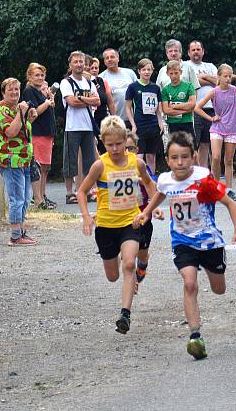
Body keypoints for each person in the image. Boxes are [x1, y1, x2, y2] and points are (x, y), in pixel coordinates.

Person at [134, 131, 236, 360]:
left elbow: (229, 203)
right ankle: (195, 336)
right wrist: (146, 213)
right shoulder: (165, 179)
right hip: (183, 241)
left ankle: (211, 269)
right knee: (189, 283)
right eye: (175, 158)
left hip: (209, 241)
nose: (180, 162)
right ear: (167, 159)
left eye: (185, 157)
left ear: (194, 156)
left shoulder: (203, 178)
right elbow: (159, 194)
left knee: (219, 289)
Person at [77, 116, 157, 334]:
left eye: (119, 144)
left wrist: (152, 207)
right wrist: (86, 216)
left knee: (129, 264)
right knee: (113, 276)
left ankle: (125, 314)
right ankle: (123, 262)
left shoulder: (136, 163)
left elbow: (150, 184)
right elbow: (81, 191)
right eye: (110, 144)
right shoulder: (99, 165)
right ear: (103, 142)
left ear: (125, 141)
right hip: (105, 226)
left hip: (130, 222)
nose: (115, 148)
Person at [0, 78, 38, 246]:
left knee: (26, 199)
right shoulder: (1, 110)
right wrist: (21, 114)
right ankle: (15, 236)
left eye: (17, 90)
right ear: (3, 92)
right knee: (17, 199)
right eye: (10, 90)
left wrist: (30, 117)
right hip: (11, 160)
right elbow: (11, 132)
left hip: (24, 160)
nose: (14, 93)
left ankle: (21, 232)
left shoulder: (16, 108)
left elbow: (22, 130)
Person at [195, 63, 236, 201]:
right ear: (219, 77)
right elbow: (197, 108)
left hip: (231, 128)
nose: (228, 79)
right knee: (216, 157)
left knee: (228, 160)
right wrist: (211, 117)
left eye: (230, 76)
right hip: (217, 127)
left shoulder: (235, 90)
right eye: (225, 76)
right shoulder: (214, 91)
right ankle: (215, 186)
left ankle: (229, 189)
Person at [124, 130, 165, 290]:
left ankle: (143, 263)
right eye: (125, 148)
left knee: (141, 254)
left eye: (131, 148)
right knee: (127, 256)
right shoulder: (114, 167)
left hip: (143, 219)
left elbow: (153, 187)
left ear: (137, 149)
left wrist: (154, 209)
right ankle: (131, 279)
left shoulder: (141, 167)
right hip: (125, 218)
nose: (127, 152)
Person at [61, 51, 101, 205]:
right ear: (70, 64)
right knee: (70, 161)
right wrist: (88, 100)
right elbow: (71, 102)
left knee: (90, 161)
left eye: (81, 62)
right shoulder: (66, 83)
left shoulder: (89, 83)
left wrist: (82, 98)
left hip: (88, 126)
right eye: (76, 62)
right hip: (72, 127)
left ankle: (88, 191)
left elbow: (97, 101)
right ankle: (70, 193)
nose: (79, 64)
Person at [22, 63, 57, 209]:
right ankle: (37, 198)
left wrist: (50, 99)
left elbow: (50, 107)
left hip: (47, 133)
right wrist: (47, 102)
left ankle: (42, 196)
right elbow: (34, 112)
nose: (40, 77)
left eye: (42, 75)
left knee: (45, 167)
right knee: (38, 166)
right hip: (38, 132)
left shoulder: (40, 91)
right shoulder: (29, 91)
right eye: (37, 75)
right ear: (29, 76)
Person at [126, 58, 164, 171]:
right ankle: (138, 182)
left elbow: (158, 108)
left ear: (152, 71)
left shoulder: (156, 88)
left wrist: (160, 122)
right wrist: (133, 125)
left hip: (153, 125)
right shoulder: (133, 87)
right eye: (144, 69)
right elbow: (128, 108)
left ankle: (151, 181)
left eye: (149, 69)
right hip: (140, 124)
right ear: (139, 71)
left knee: (151, 156)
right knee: (139, 156)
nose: (146, 72)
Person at [185, 41, 218, 168]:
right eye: (193, 50)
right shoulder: (185, 66)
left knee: (206, 143)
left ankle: (203, 173)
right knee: (194, 143)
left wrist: (203, 76)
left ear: (203, 51)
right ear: (188, 53)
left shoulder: (210, 66)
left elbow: (220, 82)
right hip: (194, 110)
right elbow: (189, 83)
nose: (196, 52)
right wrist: (210, 80)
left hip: (212, 109)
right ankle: (193, 172)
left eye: (198, 49)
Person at [160, 60, 197, 144]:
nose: (174, 76)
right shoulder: (165, 90)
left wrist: (173, 106)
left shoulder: (188, 85)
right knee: (174, 148)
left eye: (176, 73)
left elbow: (192, 104)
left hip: (187, 121)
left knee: (192, 149)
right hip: (173, 123)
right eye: (171, 73)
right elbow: (166, 110)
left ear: (180, 72)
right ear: (167, 73)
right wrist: (185, 110)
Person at [99, 48, 137, 127]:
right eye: (107, 58)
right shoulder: (101, 78)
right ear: (104, 61)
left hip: (133, 120)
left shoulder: (130, 73)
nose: (109, 59)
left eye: (112, 57)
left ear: (118, 58)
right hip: (113, 121)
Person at [87, 56, 115, 154]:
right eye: (92, 68)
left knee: (105, 145)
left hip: (103, 118)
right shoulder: (85, 82)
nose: (94, 70)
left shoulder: (102, 81)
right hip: (90, 118)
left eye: (96, 68)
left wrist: (114, 118)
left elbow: (110, 102)